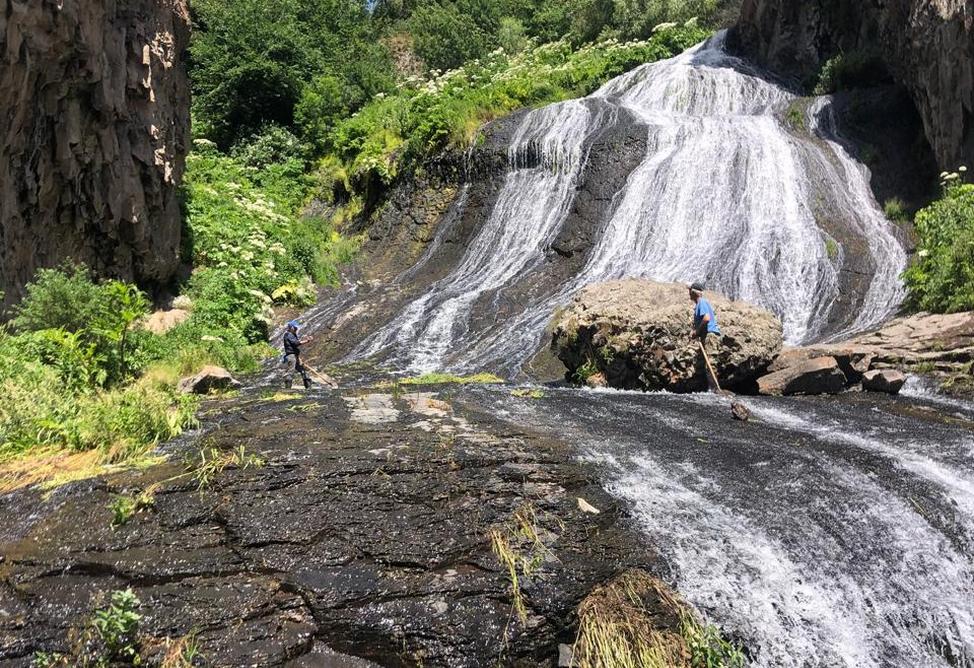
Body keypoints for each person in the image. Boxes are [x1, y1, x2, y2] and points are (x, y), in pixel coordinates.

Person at [688, 282, 721, 390]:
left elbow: (706, 318)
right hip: (706, 336)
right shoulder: (699, 304)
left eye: (690, 291)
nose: (688, 293)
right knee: (705, 364)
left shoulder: (701, 302)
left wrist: (697, 331)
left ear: (693, 292)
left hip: (709, 335)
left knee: (710, 363)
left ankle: (715, 390)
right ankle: (711, 389)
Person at [282, 320, 313, 389]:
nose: (296, 329)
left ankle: (308, 387)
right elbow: (296, 343)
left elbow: (296, 342)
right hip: (291, 356)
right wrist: (307, 341)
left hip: (295, 355)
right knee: (290, 371)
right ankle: (288, 388)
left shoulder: (293, 334)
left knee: (302, 370)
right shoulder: (288, 334)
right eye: (295, 328)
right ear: (291, 327)